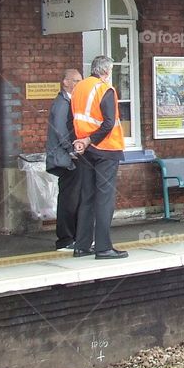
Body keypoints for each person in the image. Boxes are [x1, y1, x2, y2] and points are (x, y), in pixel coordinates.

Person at [71, 55, 128, 259]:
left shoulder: (79, 88)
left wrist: (81, 141)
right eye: (111, 71)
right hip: (105, 149)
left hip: (85, 151)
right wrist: (90, 140)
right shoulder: (105, 90)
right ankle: (103, 247)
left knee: (87, 196)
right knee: (104, 199)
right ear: (106, 71)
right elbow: (109, 123)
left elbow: (74, 119)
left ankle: (82, 245)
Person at [45, 68, 83, 250]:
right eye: (75, 81)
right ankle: (66, 239)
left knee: (74, 197)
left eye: (80, 81)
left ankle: (73, 236)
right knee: (69, 198)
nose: (78, 84)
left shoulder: (70, 102)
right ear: (65, 82)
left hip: (68, 157)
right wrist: (73, 149)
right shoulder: (62, 104)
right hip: (66, 159)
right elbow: (61, 130)